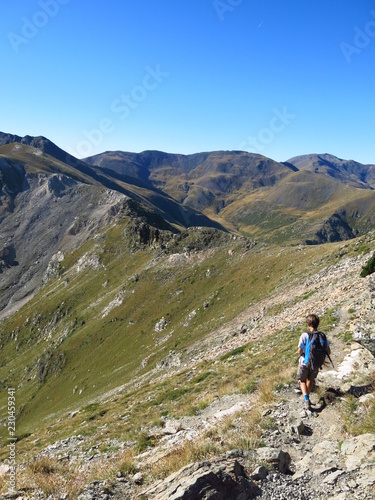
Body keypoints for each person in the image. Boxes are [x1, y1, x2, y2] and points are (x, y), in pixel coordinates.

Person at [297, 314, 331, 410]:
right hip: (316, 364)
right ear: (318, 324)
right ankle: (306, 397)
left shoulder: (305, 335)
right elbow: (329, 351)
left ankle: (306, 400)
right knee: (310, 380)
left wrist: (304, 351)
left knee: (302, 380)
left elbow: (299, 351)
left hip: (304, 362)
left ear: (308, 324)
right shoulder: (322, 336)